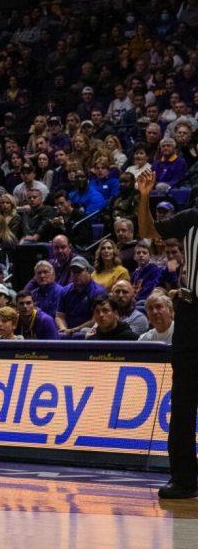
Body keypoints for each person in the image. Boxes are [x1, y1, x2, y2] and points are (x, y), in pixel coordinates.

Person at [137, 168, 198, 498]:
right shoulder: (191, 217)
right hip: (191, 313)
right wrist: (144, 196)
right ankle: (184, 479)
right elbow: (147, 232)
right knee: (184, 401)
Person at [56, 257, 106, 336]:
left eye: (79, 271)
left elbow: (95, 319)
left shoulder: (98, 292)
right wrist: (64, 329)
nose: (76, 275)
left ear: (88, 271)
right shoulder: (64, 291)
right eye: (73, 272)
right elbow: (59, 316)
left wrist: (72, 330)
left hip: (89, 332)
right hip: (68, 331)